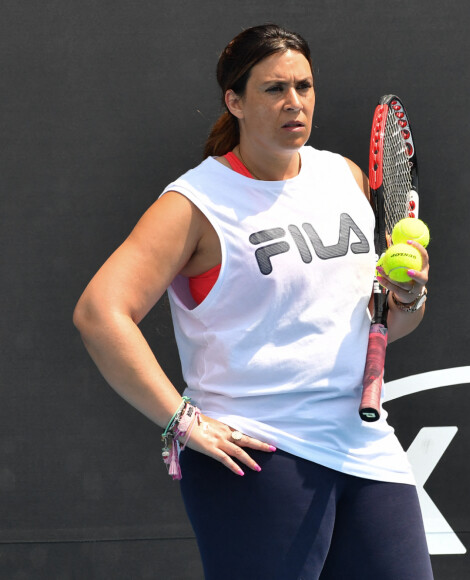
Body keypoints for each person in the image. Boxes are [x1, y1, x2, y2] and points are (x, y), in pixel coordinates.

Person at [73, 23, 433, 580]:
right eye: (274, 89)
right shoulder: (194, 203)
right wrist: (181, 421)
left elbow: (382, 321)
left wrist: (408, 297)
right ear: (234, 101)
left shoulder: (343, 176)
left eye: (305, 87)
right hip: (256, 453)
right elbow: (100, 313)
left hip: (364, 443)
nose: (295, 103)